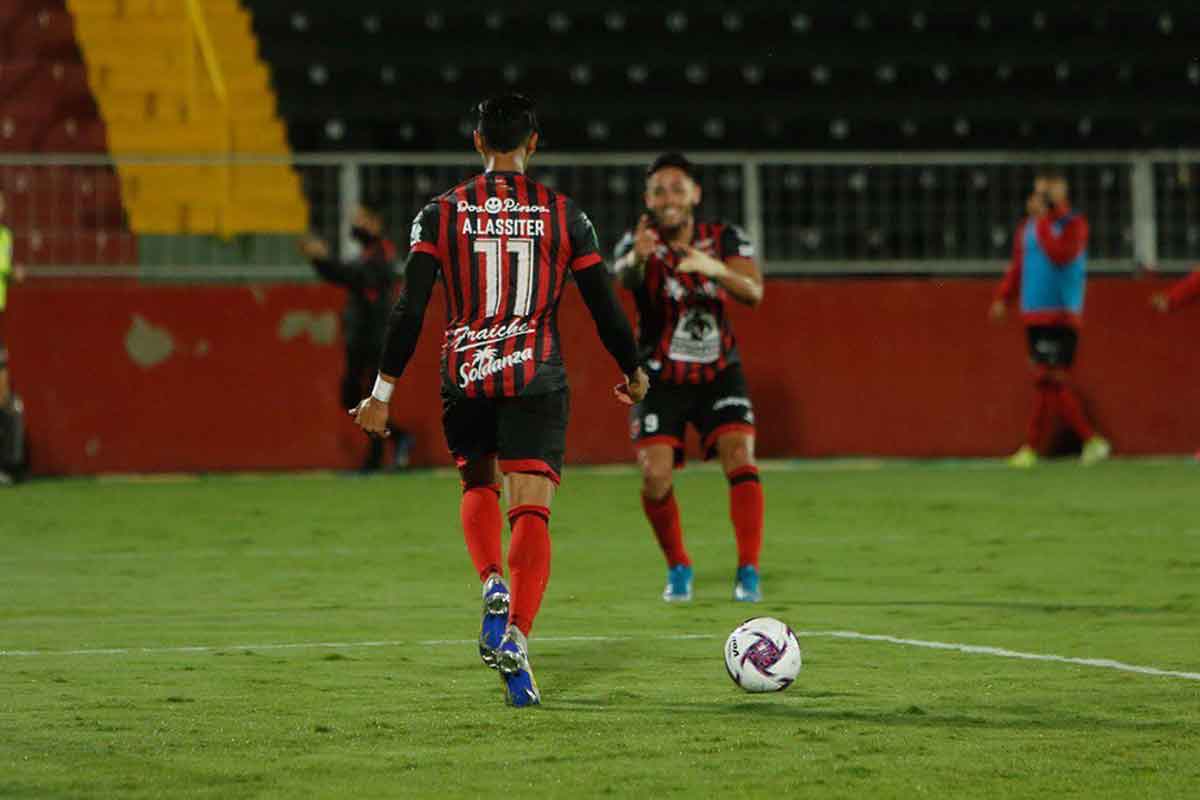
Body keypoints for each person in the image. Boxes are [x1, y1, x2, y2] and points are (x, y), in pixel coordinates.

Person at [350, 93, 647, 707]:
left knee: (478, 484)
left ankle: (492, 581)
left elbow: (409, 308)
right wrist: (632, 368)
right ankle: (517, 634)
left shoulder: (441, 213)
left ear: (478, 142)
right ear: (533, 143)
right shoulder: (565, 215)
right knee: (531, 509)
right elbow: (603, 304)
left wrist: (381, 393)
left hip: (466, 374)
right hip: (535, 376)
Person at [611, 152, 766, 604]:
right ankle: (678, 565)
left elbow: (754, 292)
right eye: (659, 191)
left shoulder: (725, 238)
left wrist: (712, 268)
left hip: (719, 372)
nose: (668, 198)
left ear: (695, 194)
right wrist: (636, 260)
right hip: (659, 377)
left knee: (740, 457)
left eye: (677, 189)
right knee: (655, 477)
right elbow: (622, 277)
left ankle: (749, 571)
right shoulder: (637, 241)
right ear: (648, 199)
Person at [990, 168, 1111, 468]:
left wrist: (1043, 220)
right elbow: (1018, 266)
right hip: (1033, 313)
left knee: (1050, 379)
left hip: (1061, 313)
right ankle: (1037, 447)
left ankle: (1087, 440)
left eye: (1047, 192)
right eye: (1038, 192)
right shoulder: (1026, 227)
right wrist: (1003, 297)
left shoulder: (1074, 224)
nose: (1041, 198)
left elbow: (1060, 255)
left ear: (1062, 192)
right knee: (1046, 381)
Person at [298, 200, 410, 471]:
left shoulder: (382, 253)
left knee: (370, 398)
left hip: (376, 339)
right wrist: (321, 262)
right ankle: (399, 438)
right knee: (350, 398)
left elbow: (353, 276)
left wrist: (322, 260)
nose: (355, 224)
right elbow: (349, 276)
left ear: (375, 223)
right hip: (359, 339)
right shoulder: (368, 253)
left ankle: (374, 460)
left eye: (361, 218)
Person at [0, 192, 27, 484]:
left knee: (3, 394)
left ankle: (6, 465)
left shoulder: (5, 236)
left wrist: (11, 273)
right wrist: (9, 272)